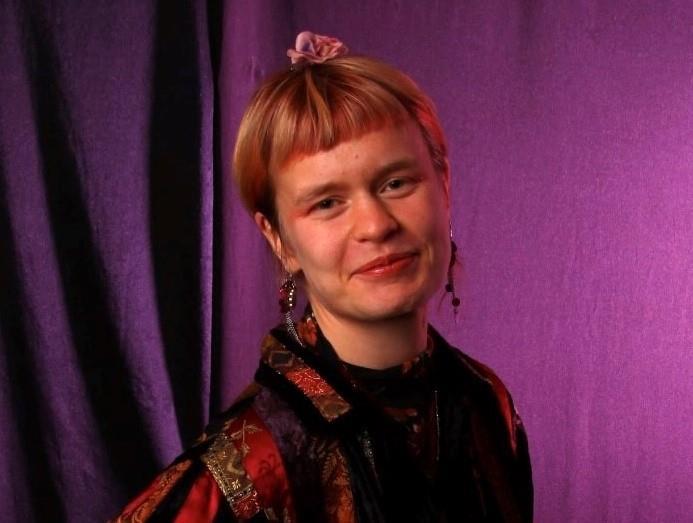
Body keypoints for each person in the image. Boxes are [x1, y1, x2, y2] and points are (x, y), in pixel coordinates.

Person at [111, 31, 533, 523]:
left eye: (396, 182)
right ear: (281, 241)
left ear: (444, 184)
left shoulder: (486, 402)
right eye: (328, 203)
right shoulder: (252, 466)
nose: (375, 225)